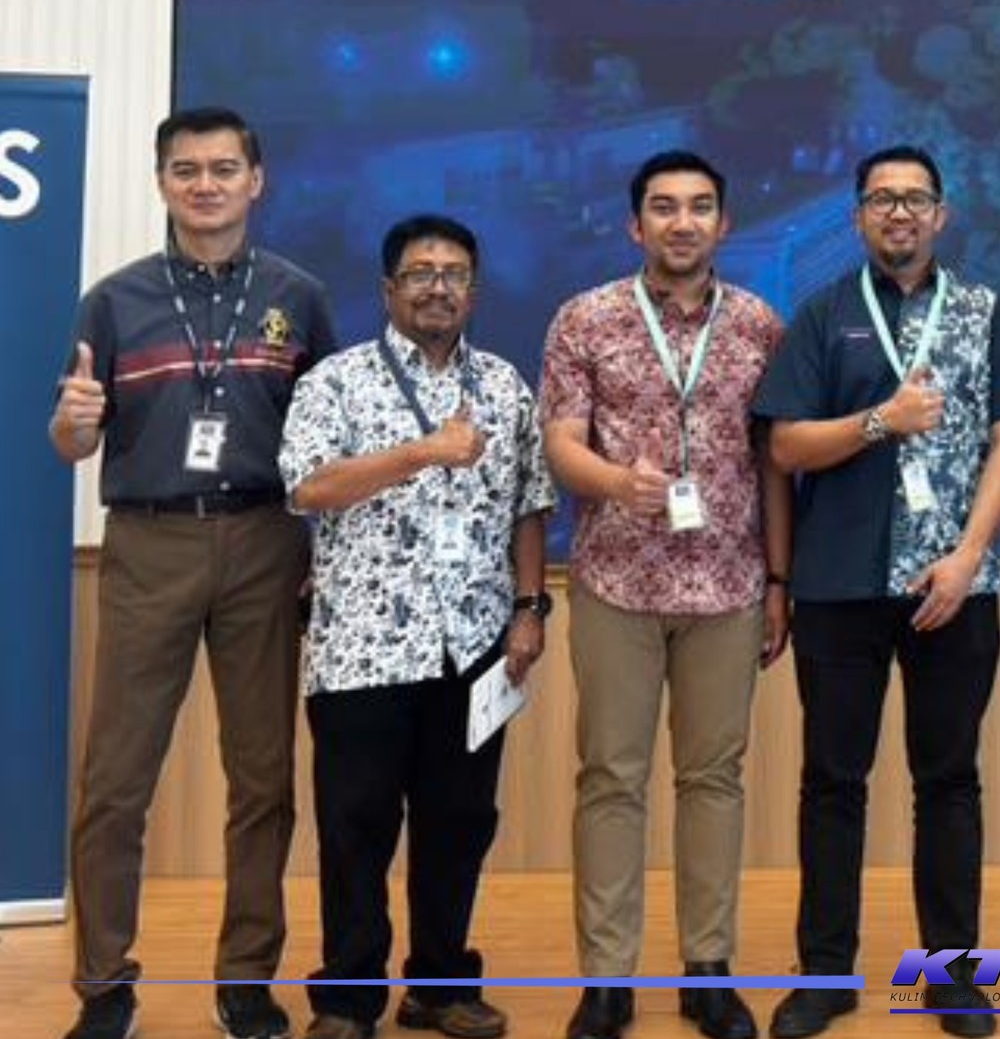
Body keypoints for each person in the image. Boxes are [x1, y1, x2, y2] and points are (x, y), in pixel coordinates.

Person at [49, 106, 336, 1039]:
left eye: (222, 168)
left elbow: (329, 443)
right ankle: (104, 986)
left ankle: (245, 978)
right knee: (115, 781)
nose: (205, 184)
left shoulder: (301, 296)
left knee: (263, 778)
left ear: (257, 179)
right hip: (150, 542)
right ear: (162, 182)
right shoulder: (113, 299)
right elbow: (71, 439)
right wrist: (73, 425)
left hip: (265, 542)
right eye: (186, 169)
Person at [752, 146, 1000, 1039]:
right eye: (882, 198)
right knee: (832, 781)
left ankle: (952, 978)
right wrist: (882, 420)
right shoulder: (823, 313)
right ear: (858, 216)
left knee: (948, 780)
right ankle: (826, 974)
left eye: (915, 198)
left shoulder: (986, 312)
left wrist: (968, 555)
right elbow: (785, 446)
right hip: (840, 584)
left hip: (953, 586)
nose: (899, 212)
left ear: (941, 214)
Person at [279, 214, 556, 1039]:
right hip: (360, 648)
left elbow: (530, 503)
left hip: (474, 645)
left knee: (459, 825)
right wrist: (423, 451)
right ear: (388, 288)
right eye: (421, 272)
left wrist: (529, 608)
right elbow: (308, 487)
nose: (439, 287)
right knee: (355, 829)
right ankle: (347, 1000)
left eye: (455, 273)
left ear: (474, 289)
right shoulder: (335, 380)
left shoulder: (504, 384)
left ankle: (439, 988)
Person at [540, 152, 792, 1039]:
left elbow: (773, 463)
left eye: (699, 207)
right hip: (617, 580)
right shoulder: (586, 317)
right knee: (611, 777)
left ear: (724, 223)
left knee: (713, 778)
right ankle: (607, 979)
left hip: (729, 584)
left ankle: (708, 970)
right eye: (663, 207)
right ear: (634, 224)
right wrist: (616, 482)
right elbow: (560, 442)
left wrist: (778, 579)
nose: (682, 222)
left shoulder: (759, 323)